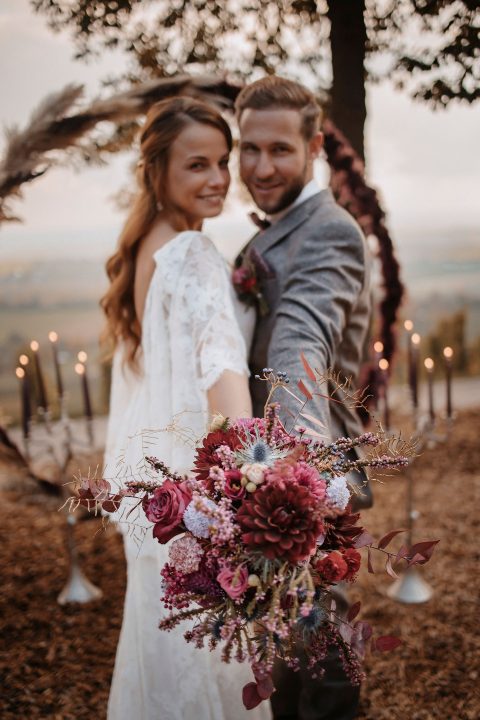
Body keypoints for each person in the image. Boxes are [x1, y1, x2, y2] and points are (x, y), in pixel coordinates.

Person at [101, 96, 270, 720]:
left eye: (223, 162)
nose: (220, 178)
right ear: (157, 173)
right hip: (200, 498)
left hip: (157, 495)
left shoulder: (149, 243)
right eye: (197, 164)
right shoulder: (194, 253)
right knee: (209, 667)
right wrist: (251, 480)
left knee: (167, 661)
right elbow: (222, 368)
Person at [235, 76, 373, 720]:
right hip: (267, 466)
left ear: (314, 147)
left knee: (319, 646)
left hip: (304, 467)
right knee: (289, 643)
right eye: (249, 148)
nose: (262, 167)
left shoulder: (328, 232)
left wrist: (297, 467)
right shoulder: (281, 228)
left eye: (280, 150)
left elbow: (301, 340)